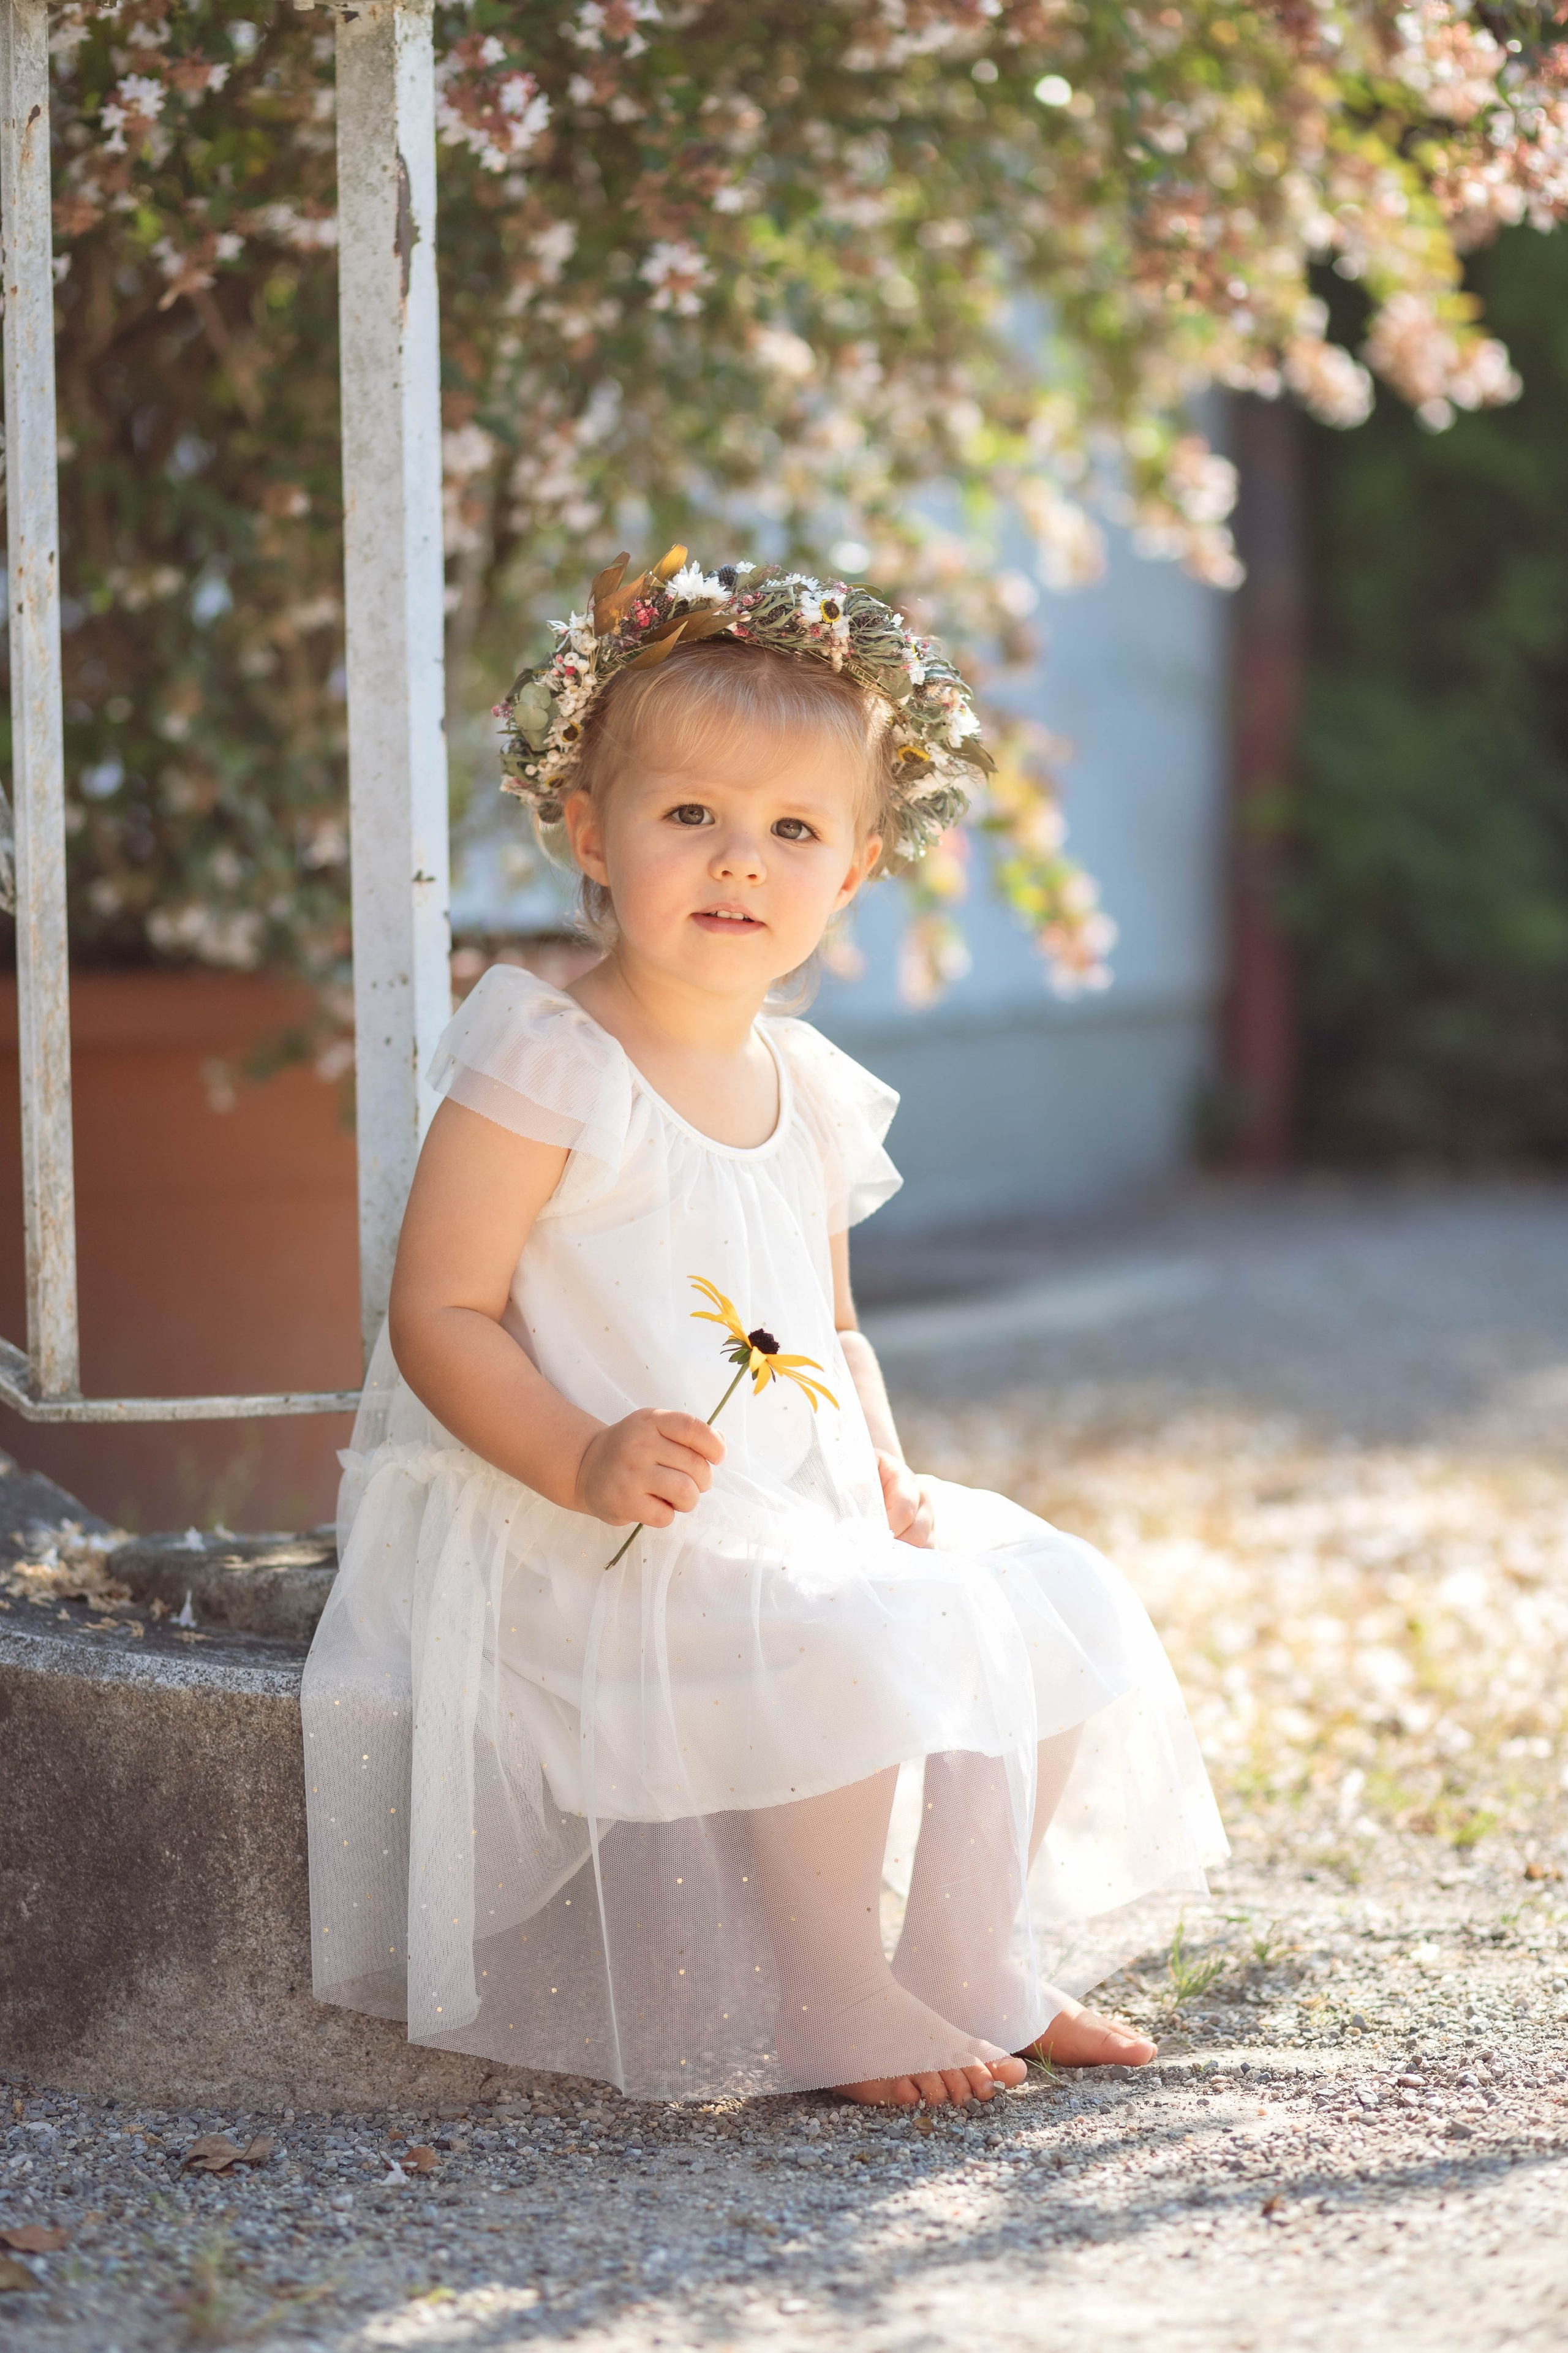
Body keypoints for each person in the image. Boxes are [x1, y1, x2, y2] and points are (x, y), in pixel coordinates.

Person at [301, 551, 1227, 2109]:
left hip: (785, 1503)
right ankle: (822, 1985)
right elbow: (439, 1309)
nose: (739, 862)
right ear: (589, 833)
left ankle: (964, 1958)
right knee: (850, 1625)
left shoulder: (802, 1085)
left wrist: (885, 1471)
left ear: (851, 874)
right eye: (690, 815)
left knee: (1043, 1588)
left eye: (792, 831)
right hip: (588, 1525)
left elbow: (831, 1327)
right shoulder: (549, 1058)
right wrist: (577, 1456)